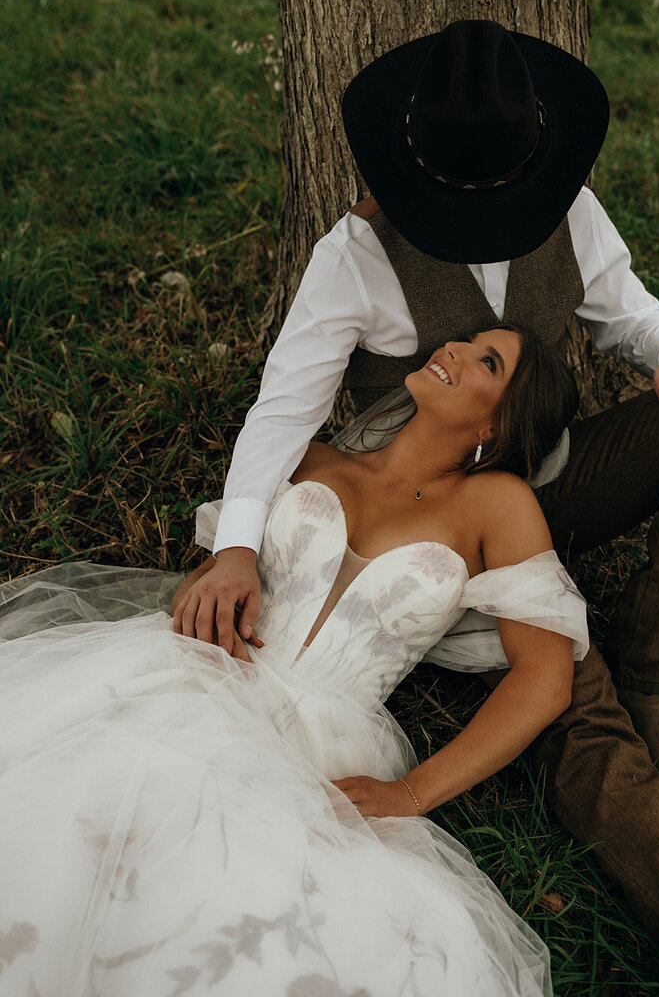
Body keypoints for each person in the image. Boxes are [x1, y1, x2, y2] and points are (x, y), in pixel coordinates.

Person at [175, 20, 659, 996]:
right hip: (440, 525)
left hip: (552, 472)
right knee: (581, 735)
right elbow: (283, 407)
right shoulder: (354, 255)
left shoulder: (567, 210)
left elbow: (623, 307)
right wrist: (239, 547)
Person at [0, 326, 585, 997]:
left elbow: (545, 680)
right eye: (467, 339)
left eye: (488, 360)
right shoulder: (310, 459)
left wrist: (412, 793)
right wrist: (209, 588)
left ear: (504, 421)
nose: (452, 349)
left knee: (245, 897)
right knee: (78, 816)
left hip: (324, 740)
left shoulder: (498, 505)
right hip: (203, 678)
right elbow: (214, 578)